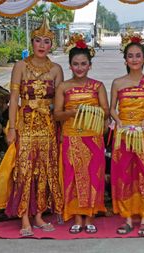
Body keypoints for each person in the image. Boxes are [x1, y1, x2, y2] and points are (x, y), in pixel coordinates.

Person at [4, 18, 64, 236]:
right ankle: (24, 217)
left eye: (46, 41)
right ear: (32, 42)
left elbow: (59, 103)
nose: (41, 45)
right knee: (25, 169)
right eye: (38, 40)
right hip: (26, 124)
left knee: (45, 170)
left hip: (47, 126)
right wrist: (12, 128)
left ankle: (39, 214)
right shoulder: (20, 66)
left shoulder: (56, 69)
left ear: (51, 45)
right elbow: (13, 99)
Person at [54, 34, 109, 234]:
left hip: (93, 137)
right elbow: (57, 114)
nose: (79, 67)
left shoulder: (98, 86)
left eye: (83, 63)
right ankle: (77, 217)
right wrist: (71, 112)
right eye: (75, 64)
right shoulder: (64, 87)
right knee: (74, 177)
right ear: (70, 65)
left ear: (89, 65)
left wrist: (90, 112)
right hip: (71, 137)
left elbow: (106, 111)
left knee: (94, 176)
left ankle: (91, 216)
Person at [109, 33, 144, 236]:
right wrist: (119, 121)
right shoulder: (117, 83)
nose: (134, 59)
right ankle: (128, 217)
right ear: (125, 59)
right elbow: (112, 109)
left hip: (143, 134)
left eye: (138, 55)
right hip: (122, 134)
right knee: (124, 175)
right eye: (130, 56)